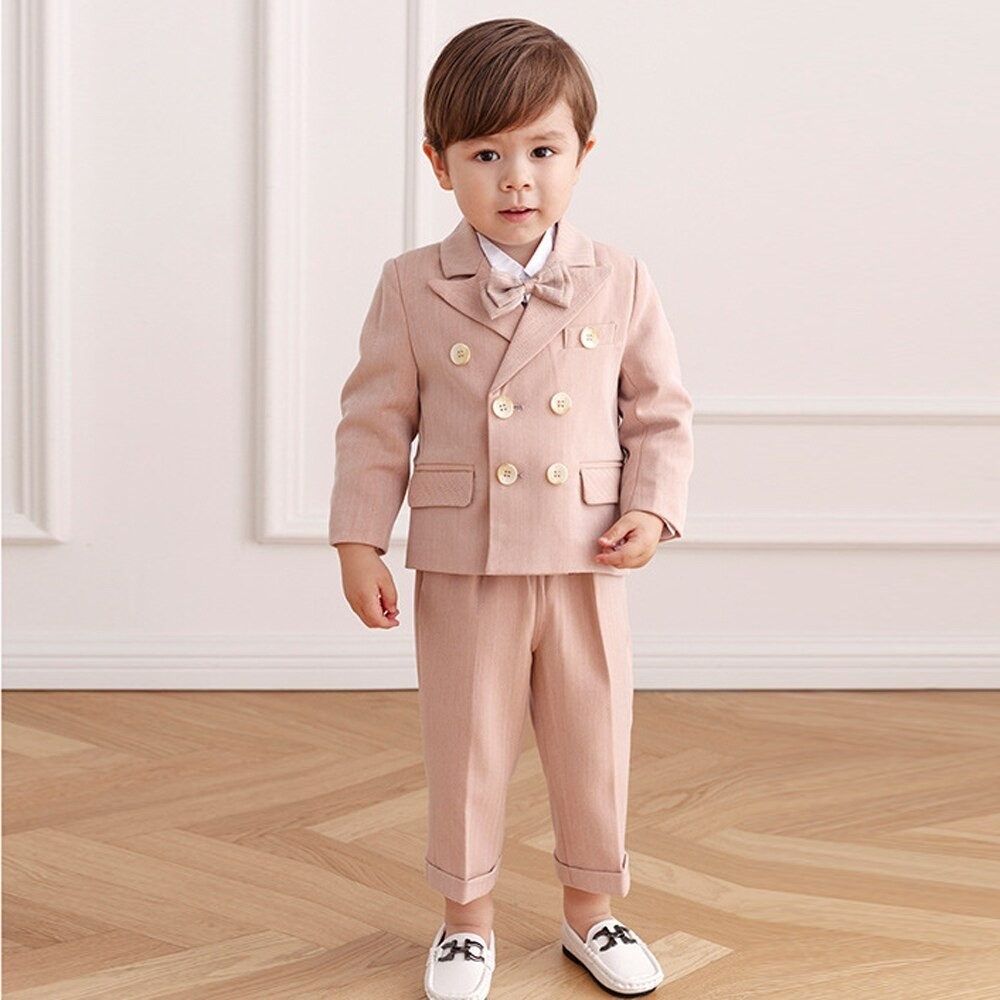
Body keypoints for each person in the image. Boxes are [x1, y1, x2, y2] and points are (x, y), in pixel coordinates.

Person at [328, 17, 694, 1000]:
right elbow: (374, 422)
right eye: (486, 154)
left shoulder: (620, 278)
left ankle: (591, 910)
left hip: (585, 552)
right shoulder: (411, 284)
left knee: (593, 741)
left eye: (542, 150)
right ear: (438, 164)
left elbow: (659, 413)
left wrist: (653, 512)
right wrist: (359, 540)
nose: (517, 178)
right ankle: (465, 921)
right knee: (466, 744)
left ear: (582, 154)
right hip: (466, 555)